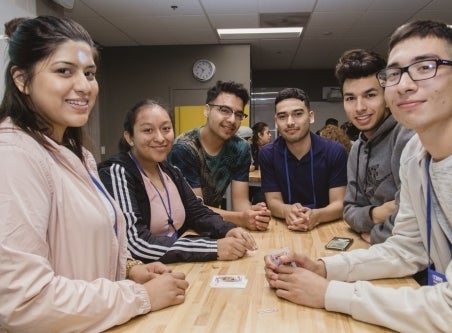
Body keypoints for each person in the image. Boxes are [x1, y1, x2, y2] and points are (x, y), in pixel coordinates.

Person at [264, 20, 452, 332]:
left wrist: (331, 294)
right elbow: (405, 249)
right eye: (395, 73)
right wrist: (323, 268)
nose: (405, 84)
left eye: (426, 67)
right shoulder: (417, 153)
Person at [0, 16, 188, 332]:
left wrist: (129, 269)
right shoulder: (14, 155)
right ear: (21, 79)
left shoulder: (78, 154)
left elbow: (77, 246)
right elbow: (22, 302)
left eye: (89, 73)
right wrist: (138, 296)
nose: (84, 86)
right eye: (64, 71)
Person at [98, 99, 257, 264]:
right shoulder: (117, 173)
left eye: (166, 129)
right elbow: (135, 243)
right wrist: (213, 247)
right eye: (148, 130)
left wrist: (227, 230)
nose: (160, 138)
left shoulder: (170, 170)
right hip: (145, 275)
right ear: (129, 137)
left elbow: (197, 212)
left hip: (178, 264)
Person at [168, 80, 271, 231]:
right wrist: (241, 218)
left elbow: (240, 201)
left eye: (238, 114)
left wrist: (253, 214)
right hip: (181, 229)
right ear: (207, 110)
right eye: (224, 110)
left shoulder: (240, 148)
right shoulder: (185, 148)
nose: (231, 120)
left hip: (213, 223)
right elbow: (196, 211)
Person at [335, 49, 415, 244]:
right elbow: (349, 211)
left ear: (387, 96)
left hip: (417, 263)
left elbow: (412, 215)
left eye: (370, 95)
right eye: (350, 98)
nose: (360, 107)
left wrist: (376, 235)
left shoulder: (407, 136)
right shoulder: (357, 149)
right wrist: (377, 214)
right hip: (379, 254)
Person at [259, 88, 348, 231]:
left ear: (311, 116)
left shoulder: (334, 151)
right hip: (283, 227)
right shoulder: (268, 154)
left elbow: (339, 204)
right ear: (276, 122)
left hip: (326, 226)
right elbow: (273, 201)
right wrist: (287, 211)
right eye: (282, 116)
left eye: (298, 114)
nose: (290, 122)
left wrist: (317, 216)